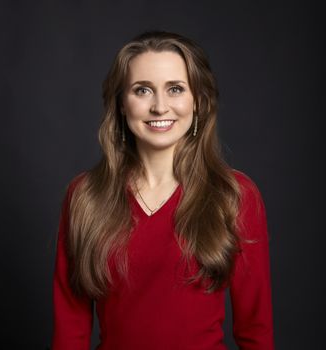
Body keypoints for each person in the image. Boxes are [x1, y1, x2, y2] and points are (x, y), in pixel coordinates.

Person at [52, 30, 274, 350]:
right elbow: (69, 332)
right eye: (142, 90)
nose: (159, 106)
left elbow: (256, 332)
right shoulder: (85, 196)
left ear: (197, 101)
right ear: (121, 104)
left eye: (175, 89)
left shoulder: (234, 195)